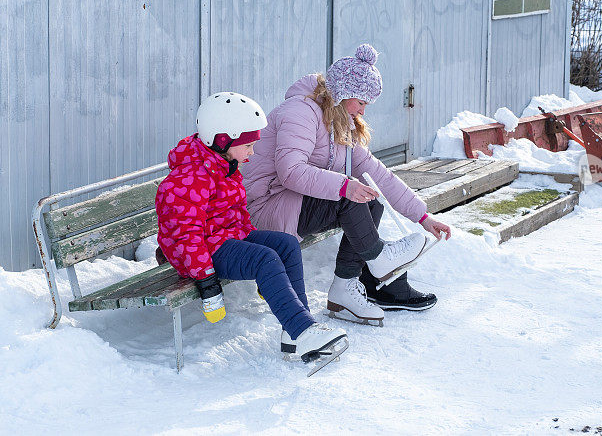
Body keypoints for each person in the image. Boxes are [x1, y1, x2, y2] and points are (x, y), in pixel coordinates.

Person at [241, 44, 452, 327]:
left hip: (292, 202)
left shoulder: (339, 123)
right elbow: (290, 171)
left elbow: (380, 175)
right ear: (341, 94)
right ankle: (378, 258)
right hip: (264, 207)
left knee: (369, 197)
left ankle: (344, 290)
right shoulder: (300, 112)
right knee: (349, 195)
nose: (363, 111)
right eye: (361, 102)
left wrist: (423, 216)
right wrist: (344, 186)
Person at [155, 91, 347, 365]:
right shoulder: (188, 178)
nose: (252, 152)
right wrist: (207, 281)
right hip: (201, 255)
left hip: (224, 239)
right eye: (247, 145)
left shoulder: (222, 164)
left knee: (286, 244)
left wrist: (249, 235)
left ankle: (297, 332)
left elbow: (234, 212)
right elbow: (186, 235)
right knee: (264, 259)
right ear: (223, 139)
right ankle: (301, 329)